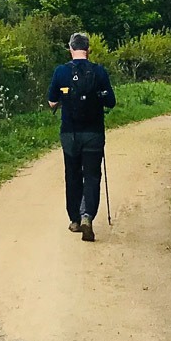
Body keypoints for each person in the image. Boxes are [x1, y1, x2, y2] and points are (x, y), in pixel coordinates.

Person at [47, 32, 116, 241]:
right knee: (92, 176)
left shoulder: (61, 72)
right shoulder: (99, 71)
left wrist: (63, 99)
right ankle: (87, 215)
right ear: (88, 49)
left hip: (70, 134)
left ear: (70, 48)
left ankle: (75, 220)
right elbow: (111, 102)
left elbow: (51, 102)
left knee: (73, 175)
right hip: (94, 133)